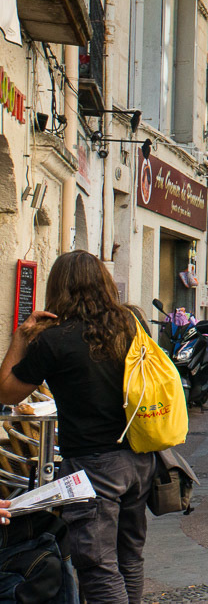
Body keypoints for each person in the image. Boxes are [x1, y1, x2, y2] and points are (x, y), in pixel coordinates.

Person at [0, 252, 154, 603]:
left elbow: (7, 391)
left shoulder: (54, 339)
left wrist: (21, 338)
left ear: (59, 287)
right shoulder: (133, 322)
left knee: (97, 565)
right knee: (129, 555)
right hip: (141, 457)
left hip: (93, 466)